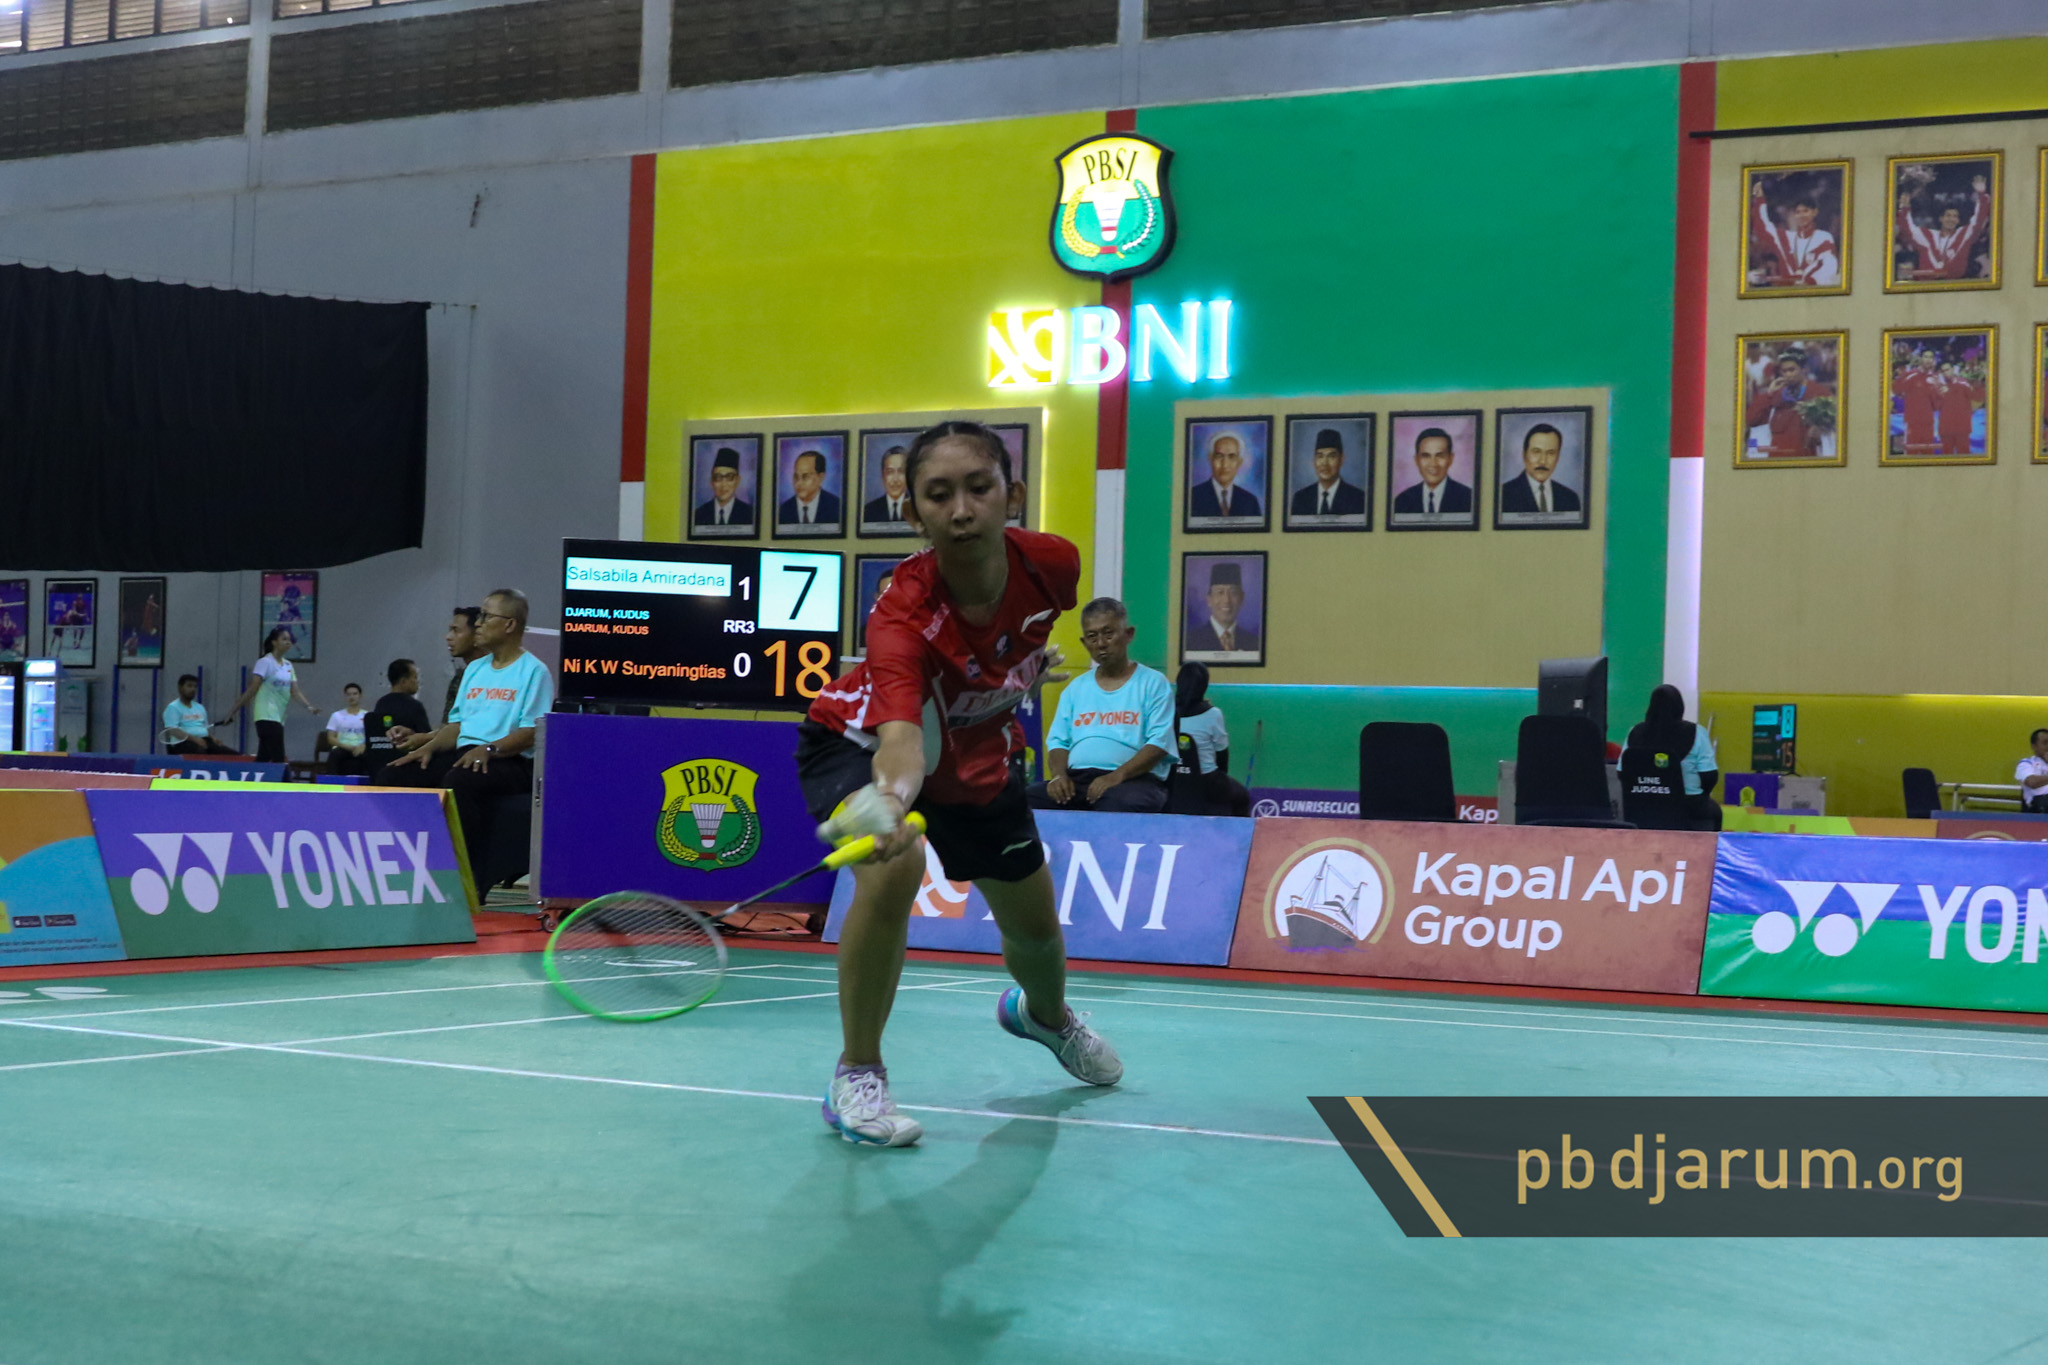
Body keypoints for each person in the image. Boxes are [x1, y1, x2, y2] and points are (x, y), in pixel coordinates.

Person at [797, 419, 1121, 1148]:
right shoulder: (901, 614)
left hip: (978, 754)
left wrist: (1022, 675)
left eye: (979, 488)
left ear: (1013, 494)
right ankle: (858, 1073)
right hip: (861, 742)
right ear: (914, 513)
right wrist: (889, 802)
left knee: (1034, 931)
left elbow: (1009, 645)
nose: (963, 510)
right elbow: (902, 737)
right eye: (939, 495)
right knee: (897, 865)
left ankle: (1046, 1017)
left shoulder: (1053, 564)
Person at [386, 590, 553, 883]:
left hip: (509, 760)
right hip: (467, 753)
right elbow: (457, 726)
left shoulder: (534, 672)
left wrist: (488, 749)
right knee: (395, 774)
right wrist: (428, 748)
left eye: (486, 616)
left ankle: (463, 877)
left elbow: (530, 733)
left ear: (510, 624)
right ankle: (399, 868)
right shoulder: (475, 670)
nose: (478, 623)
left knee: (460, 780)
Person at [1028, 597, 1174, 814]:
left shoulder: (1153, 683)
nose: (1101, 643)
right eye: (1092, 636)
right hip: (1078, 780)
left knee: (1117, 803)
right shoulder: (1075, 689)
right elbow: (1058, 742)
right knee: (1024, 801)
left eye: (1109, 634)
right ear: (1084, 642)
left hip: (1134, 780)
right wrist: (1059, 777)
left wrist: (1116, 776)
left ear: (1128, 634)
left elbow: (1159, 744)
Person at [1624, 684, 1720, 830]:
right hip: (1688, 806)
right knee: (1716, 812)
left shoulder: (1634, 732)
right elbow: (1709, 775)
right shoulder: (1696, 732)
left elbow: (1622, 772)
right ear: (1680, 707)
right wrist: (1702, 795)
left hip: (1642, 806)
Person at [220, 628, 321, 764]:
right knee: (278, 757)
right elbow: (252, 689)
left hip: (279, 717)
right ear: (274, 642)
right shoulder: (265, 662)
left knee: (264, 757)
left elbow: (295, 691)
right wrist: (233, 711)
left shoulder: (288, 665)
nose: (288, 642)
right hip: (265, 714)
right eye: (284, 639)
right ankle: (284, 778)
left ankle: (250, 777)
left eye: (289, 640)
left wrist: (309, 707)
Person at [1174, 662, 1250, 817]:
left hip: (1173, 780)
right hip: (1207, 781)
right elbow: (1222, 754)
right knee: (1243, 797)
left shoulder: (1166, 711)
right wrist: (1221, 777)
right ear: (1204, 686)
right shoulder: (1213, 714)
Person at [1896, 176, 1992, 281]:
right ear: (1941, 219)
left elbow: (1979, 221)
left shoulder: (1963, 234)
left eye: (1955, 216)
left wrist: (1981, 194)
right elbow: (1907, 229)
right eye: (1948, 216)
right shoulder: (1928, 236)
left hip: (1955, 284)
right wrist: (1904, 207)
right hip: (1927, 285)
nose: (1951, 219)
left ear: (1958, 221)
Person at [1750, 181, 1839, 288]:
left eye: (1805, 211)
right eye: (1798, 212)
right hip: (1787, 293)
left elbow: (1829, 265)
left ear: (1814, 212)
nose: (1801, 215)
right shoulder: (1786, 238)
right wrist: (1760, 199)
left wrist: (1810, 281)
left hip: (1813, 292)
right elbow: (1762, 228)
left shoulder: (1823, 237)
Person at [1745, 351, 1835, 458]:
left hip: (1806, 457)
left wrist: (1820, 428)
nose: (1788, 374)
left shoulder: (1817, 391)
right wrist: (1769, 394)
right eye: (1784, 371)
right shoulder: (1776, 394)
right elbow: (1751, 420)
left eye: (1792, 370)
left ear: (1803, 370)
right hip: (1777, 458)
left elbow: (1835, 417)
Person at [363, 658, 432, 785]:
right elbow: (427, 739)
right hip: (406, 772)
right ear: (404, 681)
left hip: (377, 773)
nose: (418, 681)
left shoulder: (381, 704)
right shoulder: (414, 706)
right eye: (415, 677)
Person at [1498, 424, 1583, 514]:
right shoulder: (1503, 495)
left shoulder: (1570, 498)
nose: (1543, 461)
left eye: (1550, 453)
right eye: (1536, 452)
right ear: (1524, 455)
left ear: (1558, 457)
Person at [1184, 561, 1260, 657]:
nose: (1226, 600)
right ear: (1209, 599)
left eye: (1233, 593)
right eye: (1220, 592)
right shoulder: (1190, 641)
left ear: (1241, 598)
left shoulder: (1254, 643)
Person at [1392, 428, 1473, 514]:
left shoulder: (1469, 498)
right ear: (1416, 460)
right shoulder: (1402, 501)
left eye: (1440, 455)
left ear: (1450, 459)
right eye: (1426, 456)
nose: (1433, 463)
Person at [1288, 428, 1366, 518]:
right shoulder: (1300, 498)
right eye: (1320, 456)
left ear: (1341, 460)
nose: (1324, 463)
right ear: (1313, 461)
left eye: (1331, 456)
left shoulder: (1358, 498)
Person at [1189, 434, 1261, 519]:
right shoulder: (1192, 496)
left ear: (1239, 462)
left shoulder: (1250, 501)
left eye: (1232, 457)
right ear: (1210, 459)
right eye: (1219, 456)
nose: (1225, 465)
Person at [161, 674, 233, 755]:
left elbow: (203, 728)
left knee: (230, 754)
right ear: (180, 688)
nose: (193, 689)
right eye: (189, 686)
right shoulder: (173, 708)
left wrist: (213, 739)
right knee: (201, 752)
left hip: (203, 740)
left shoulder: (200, 707)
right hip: (182, 743)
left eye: (195, 687)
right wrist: (195, 740)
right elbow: (173, 731)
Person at [693, 447, 754, 529]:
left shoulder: (750, 514)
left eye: (729, 477)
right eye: (718, 477)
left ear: (737, 481)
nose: (723, 484)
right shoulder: (698, 515)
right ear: (711, 482)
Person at [778, 449, 842, 527]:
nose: (799, 483)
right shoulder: (782, 511)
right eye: (796, 476)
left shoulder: (837, 508)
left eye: (805, 476)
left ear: (821, 477)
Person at [1893, 349, 1940, 454]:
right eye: (1926, 357)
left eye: (1931, 357)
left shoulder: (1936, 378)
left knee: (1928, 454)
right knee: (1911, 454)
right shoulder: (1911, 375)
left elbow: (1937, 404)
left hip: (1928, 423)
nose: (1928, 360)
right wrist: (1900, 376)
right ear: (1920, 359)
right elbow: (1897, 391)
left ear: (1934, 360)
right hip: (1913, 423)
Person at [1936, 360, 1984, 456]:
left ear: (1953, 369)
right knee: (1946, 456)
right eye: (1943, 371)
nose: (1946, 373)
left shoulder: (1964, 383)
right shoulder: (1938, 386)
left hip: (1962, 428)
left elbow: (1978, 397)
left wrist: (1978, 383)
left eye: (1947, 370)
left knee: (1964, 455)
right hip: (1946, 428)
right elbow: (1935, 405)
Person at [324, 683, 369, 776]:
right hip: (342, 747)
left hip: (360, 747)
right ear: (345, 696)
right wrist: (346, 746)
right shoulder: (336, 715)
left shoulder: (367, 716)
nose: (352, 697)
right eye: (349, 694)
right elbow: (331, 738)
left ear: (360, 695)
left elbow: (371, 736)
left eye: (355, 694)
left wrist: (364, 745)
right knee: (334, 754)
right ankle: (331, 781)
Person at [862, 445, 912, 526]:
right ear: (883, 476)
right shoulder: (868, 511)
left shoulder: (917, 509)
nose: (895, 479)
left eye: (901, 471)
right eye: (890, 472)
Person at [2016, 730, 2048, 814]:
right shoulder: (2026, 763)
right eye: (2045, 743)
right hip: (2038, 806)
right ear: (2034, 746)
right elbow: (2032, 782)